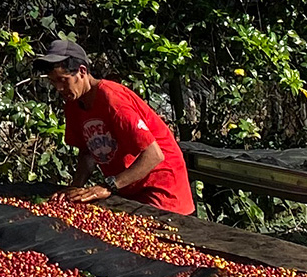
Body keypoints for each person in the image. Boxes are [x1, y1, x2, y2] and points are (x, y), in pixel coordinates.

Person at [30, 37, 194, 214]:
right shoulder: (73, 104)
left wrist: (108, 186)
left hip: (162, 190)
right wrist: (75, 188)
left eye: (63, 80)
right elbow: (87, 152)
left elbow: (154, 155)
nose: (59, 88)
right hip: (130, 190)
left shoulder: (112, 100)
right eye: (53, 82)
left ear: (82, 71)